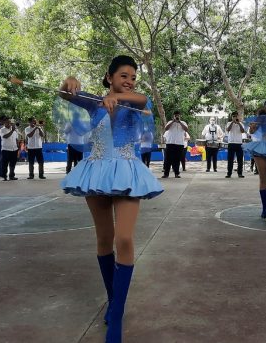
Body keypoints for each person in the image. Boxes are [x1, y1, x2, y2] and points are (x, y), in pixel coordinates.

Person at [58, 55, 163, 343]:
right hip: (96, 169)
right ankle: (113, 301)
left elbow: (140, 99)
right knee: (104, 239)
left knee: (124, 239)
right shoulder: (94, 102)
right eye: (123, 76)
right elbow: (65, 94)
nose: (129, 80)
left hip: (127, 170)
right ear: (109, 76)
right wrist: (68, 83)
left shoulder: (136, 102)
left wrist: (119, 98)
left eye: (132, 76)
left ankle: (116, 316)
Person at [162, 111, 188, 178]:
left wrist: (179, 122)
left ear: (180, 116)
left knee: (177, 159)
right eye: (175, 116)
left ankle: (177, 173)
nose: (177, 117)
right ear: (173, 116)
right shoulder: (170, 122)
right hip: (170, 143)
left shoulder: (183, 123)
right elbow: (166, 128)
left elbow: (186, 129)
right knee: (168, 159)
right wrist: (173, 121)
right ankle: (166, 174)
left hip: (180, 143)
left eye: (178, 116)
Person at [225, 111, 246, 178]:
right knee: (230, 159)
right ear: (232, 117)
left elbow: (242, 131)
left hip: (239, 143)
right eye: (234, 116)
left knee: (240, 159)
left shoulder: (241, 124)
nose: (235, 117)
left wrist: (238, 123)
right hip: (231, 143)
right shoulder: (229, 123)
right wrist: (232, 122)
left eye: (236, 116)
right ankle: (229, 173)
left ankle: (240, 173)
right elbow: (228, 129)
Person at [0, 117, 19, 181]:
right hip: (6, 149)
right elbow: (5, 136)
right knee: (5, 164)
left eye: (10, 122)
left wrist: (17, 147)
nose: (9, 123)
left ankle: (12, 175)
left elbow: (16, 139)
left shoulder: (14, 130)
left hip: (14, 149)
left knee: (13, 163)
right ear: (4, 122)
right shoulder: (2, 130)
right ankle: (4, 176)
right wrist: (12, 131)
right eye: (7, 122)